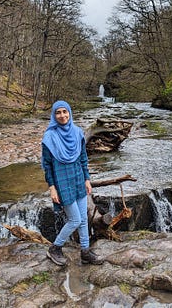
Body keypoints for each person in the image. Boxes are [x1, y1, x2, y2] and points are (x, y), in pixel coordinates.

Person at [41, 100, 104, 266]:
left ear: (70, 113)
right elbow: (47, 166)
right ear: (54, 116)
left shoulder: (77, 132)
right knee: (75, 220)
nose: (62, 115)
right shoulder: (49, 137)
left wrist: (87, 179)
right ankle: (55, 248)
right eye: (58, 113)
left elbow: (83, 158)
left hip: (78, 180)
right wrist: (52, 188)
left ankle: (85, 251)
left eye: (65, 112)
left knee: (83, 219)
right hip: (62, 183)